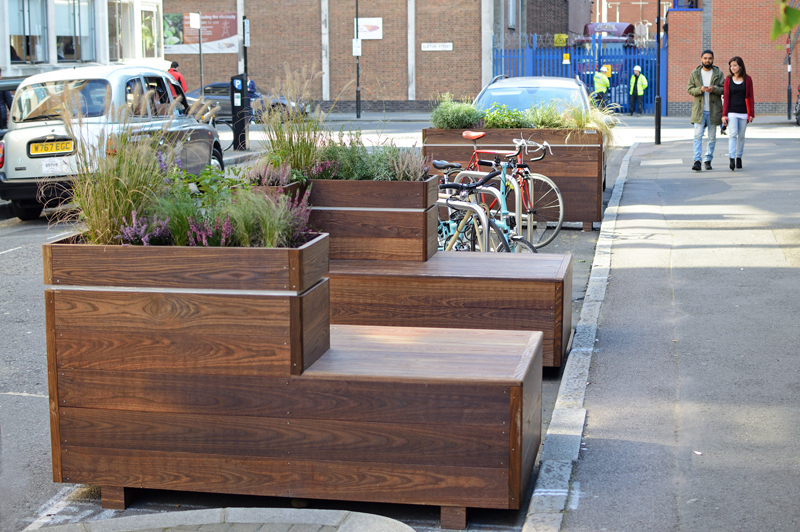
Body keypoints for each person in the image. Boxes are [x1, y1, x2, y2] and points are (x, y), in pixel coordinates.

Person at [687, 49, 724, 171]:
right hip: (699, 110)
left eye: (710, 58)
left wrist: (714, 89)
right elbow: (690, 89)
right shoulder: (695, 73)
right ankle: (697, 160)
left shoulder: (718, 73)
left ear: (713, 59)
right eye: (705, 58)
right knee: (698, 135)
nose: (707, 60)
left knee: (712, 137)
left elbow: (724, 89)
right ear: (701, 59)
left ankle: (708, 159)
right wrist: (700, 90)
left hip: (714, 110)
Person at [721, 56, 754, 171]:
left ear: (740, 66)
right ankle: (731, 158)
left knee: (741, 136)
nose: (732, 68)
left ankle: (739, 157)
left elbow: (750, 96)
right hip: (732, 112)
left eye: (735, 65)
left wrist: (751, 114)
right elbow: (726, 98)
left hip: (744, 112)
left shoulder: (748, 79)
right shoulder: (728, 80)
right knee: (733, 135)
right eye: (731, 66)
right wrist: (724, 115)